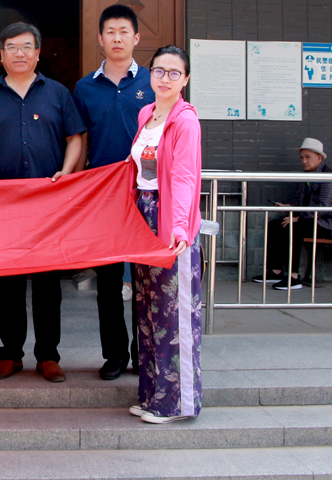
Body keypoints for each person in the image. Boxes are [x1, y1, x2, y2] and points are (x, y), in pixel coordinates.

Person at [0, 22, 85, 383]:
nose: (19, 53)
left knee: (48, 285)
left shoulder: (58, 93)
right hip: (4, 205)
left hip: (49, 205)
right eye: (11, 47)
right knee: (10, 285)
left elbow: (75, 136)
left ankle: (48, 355)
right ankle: (10, 355)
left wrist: (67, 171)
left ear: (38, 53)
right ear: (1, 55)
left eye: (26, 46)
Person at [72, 4, 154, 381]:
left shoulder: (153, 81)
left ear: (136, 38)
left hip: (145, 194)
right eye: (110, 32)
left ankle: (144, 354)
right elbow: (80, 139)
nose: (117, 38)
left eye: (124, 32)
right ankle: (115, 355)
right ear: (100, 39)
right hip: (103, 195)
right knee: (107, 282)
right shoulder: (85, 88)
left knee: (144, 280)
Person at [128, 45, 202, 424]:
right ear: (150, 74)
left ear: (185, 79)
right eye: (159, 71)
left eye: (174, 73)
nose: (165, 78)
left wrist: (179, 227)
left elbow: (185, 176)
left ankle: (175, 402)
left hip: (170, 219)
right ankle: (151, 394)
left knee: (173, 313)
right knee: (147, 309)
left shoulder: (186, 121)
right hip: (142, 216)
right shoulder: (146, 114)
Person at [251, 138, 332, 291]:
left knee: (293, 228)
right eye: (302, 157)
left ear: (319, 158)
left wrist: (298, 218)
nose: (304, 161)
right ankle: (275, 271)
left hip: (329, 225)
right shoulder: (307, 176)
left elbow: (323, 208)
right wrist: (286, 207)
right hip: (310, 220)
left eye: (308, 157)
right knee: (274, 225)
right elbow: (298, 201)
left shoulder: (328, 178)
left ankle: (293, 277)